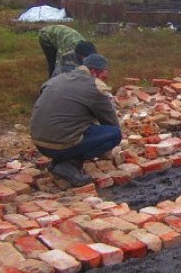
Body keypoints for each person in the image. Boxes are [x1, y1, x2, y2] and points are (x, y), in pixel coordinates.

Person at [30, 54, 122, 187]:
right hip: (60, 145)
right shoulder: (94, 86)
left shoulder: (57, 79)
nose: (104, 81)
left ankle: (59, 161)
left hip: (39, 142)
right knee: (114, 134)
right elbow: (111, 123)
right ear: (94, 72)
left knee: (79, 125)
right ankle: (68, 165)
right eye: (103, 77)